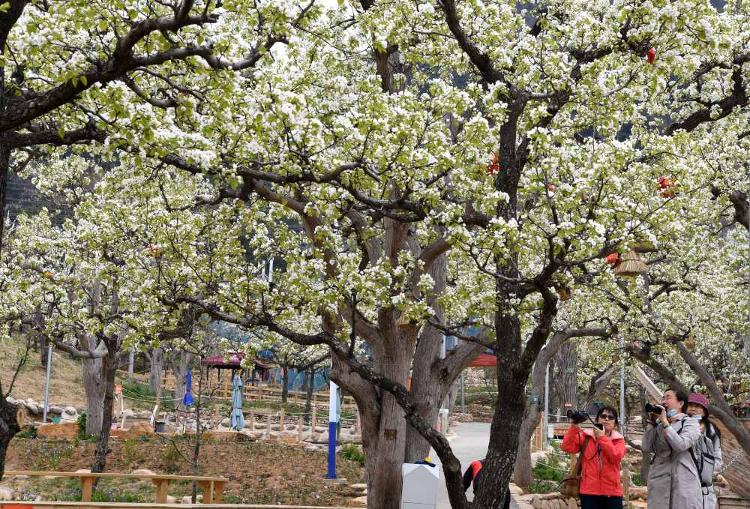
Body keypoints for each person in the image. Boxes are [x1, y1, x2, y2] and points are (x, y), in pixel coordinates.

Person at [642, 388, 702, 509]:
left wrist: (665, 422)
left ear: (680, 403)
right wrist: (652, 422)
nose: (664, 401)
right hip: (659, 483)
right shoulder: (659, 426)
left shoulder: (690, 423)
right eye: (663, 398)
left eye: (668, 397)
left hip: (683, 483)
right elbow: (646, 447)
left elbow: (681, 445)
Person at [561, 406, 626, 509]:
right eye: (603, 416)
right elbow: (567, 447)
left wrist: (602, 437)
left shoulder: (619, 440)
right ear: (597, 420)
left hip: (612, 493)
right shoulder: (586, 437)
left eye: (610, 417)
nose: (606, 419)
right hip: (589, 492)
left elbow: (615, 457)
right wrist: (574, 427)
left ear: (615, 423)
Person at [686, 392, 722, 509]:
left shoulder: (711, 430)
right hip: (684, 482)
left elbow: (717, 458)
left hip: (704, 485)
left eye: (697, 406)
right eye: (690, 405)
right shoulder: (681, 425)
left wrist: (708, 471)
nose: (692, 408)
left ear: (704, 410)